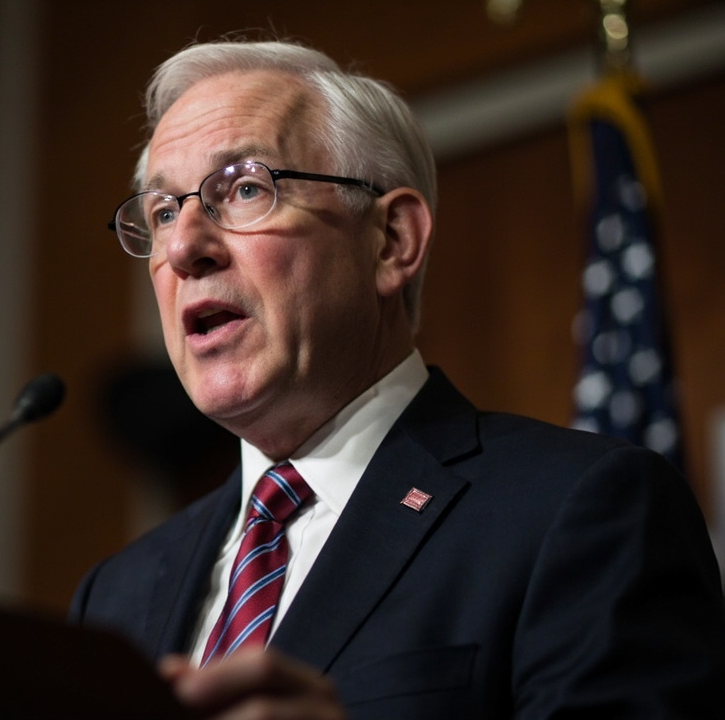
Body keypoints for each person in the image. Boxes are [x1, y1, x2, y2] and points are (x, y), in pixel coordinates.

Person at [69, 36, 725, 719]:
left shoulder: (583, 509)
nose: (182, 248)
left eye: (243, 189)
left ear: (392, 242)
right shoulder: (114, 598)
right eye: (163, 211)